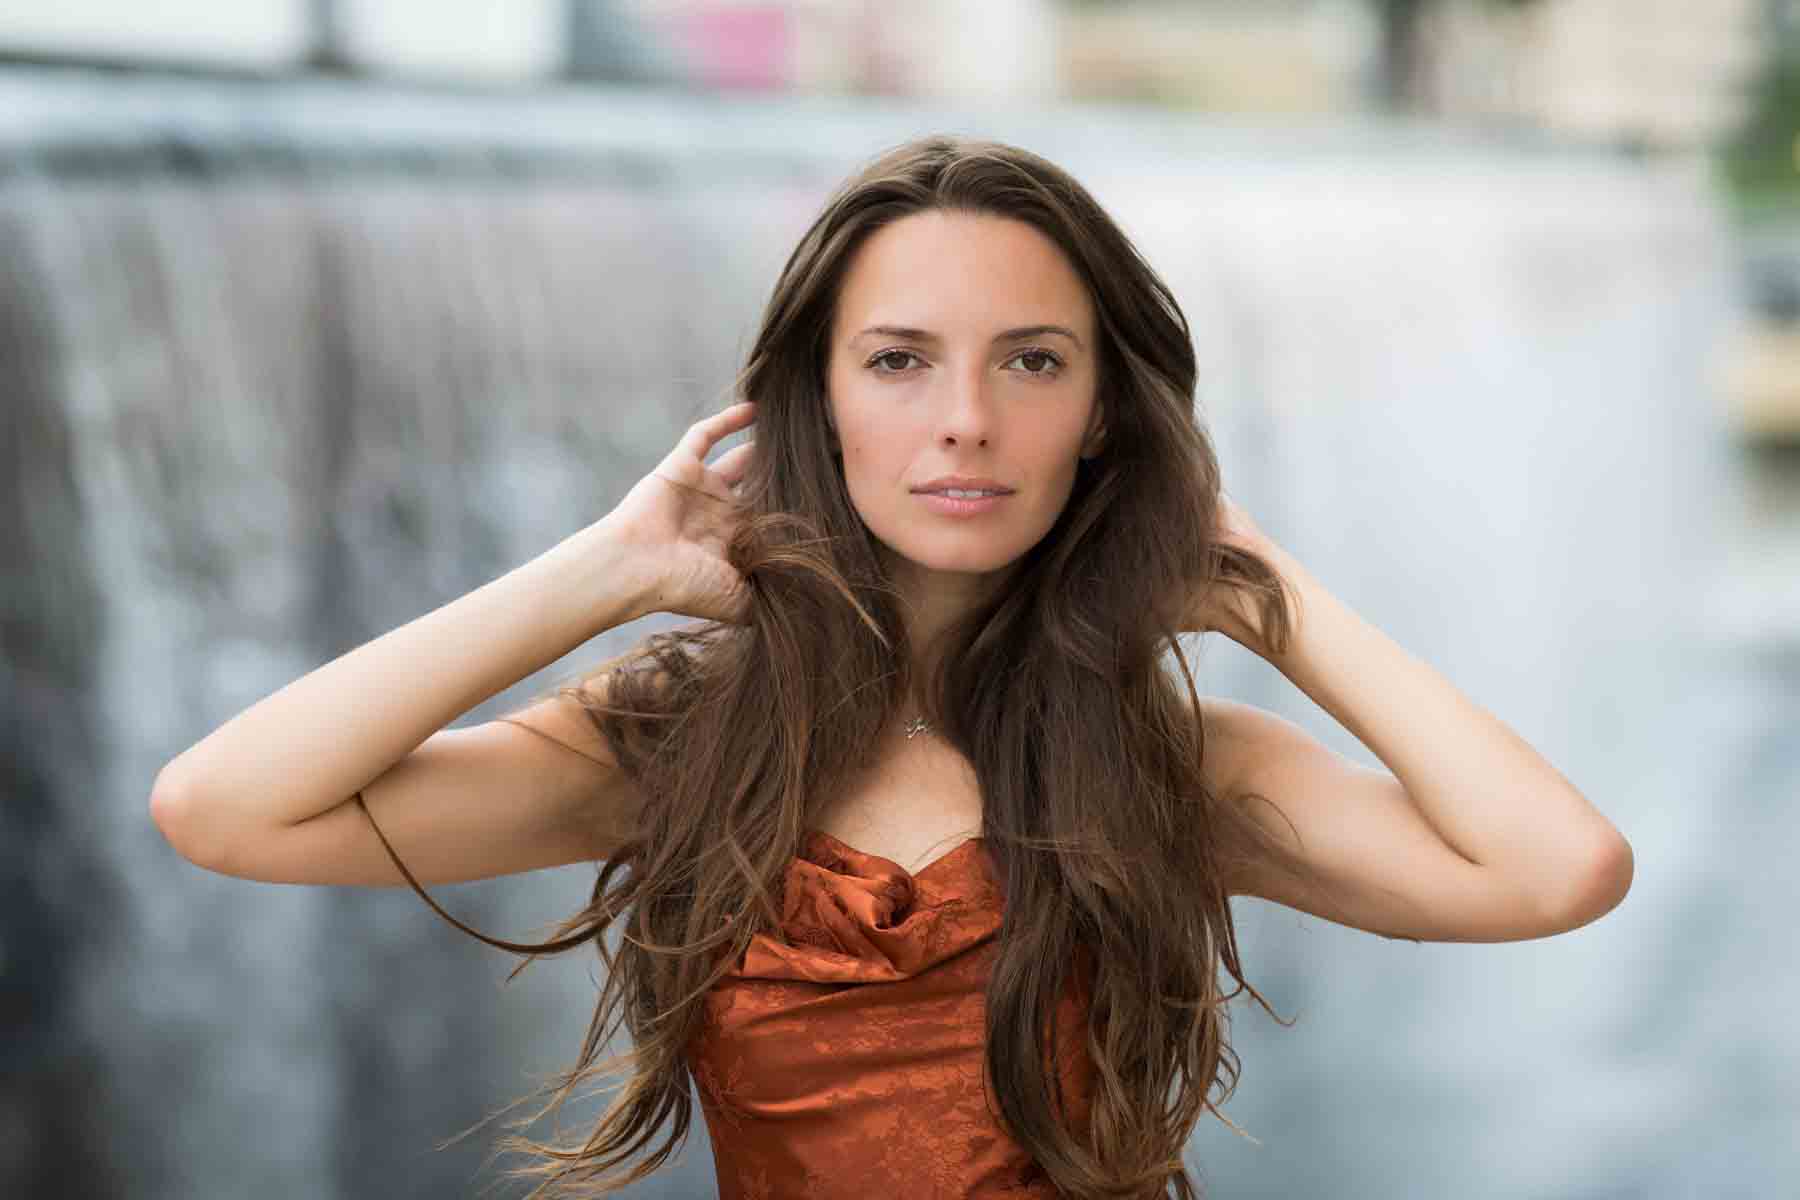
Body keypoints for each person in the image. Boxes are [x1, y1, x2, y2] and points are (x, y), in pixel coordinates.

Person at [149, 135, 1634, 1199]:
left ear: (1107, 415)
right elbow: (224, 809)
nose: (967, 423)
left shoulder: (1182, 766)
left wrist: (1273, 603)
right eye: (901, 359)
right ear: (818, 398)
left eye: (1034, 361)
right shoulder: (682, 744)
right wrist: (603, 569)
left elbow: (1558, 869)